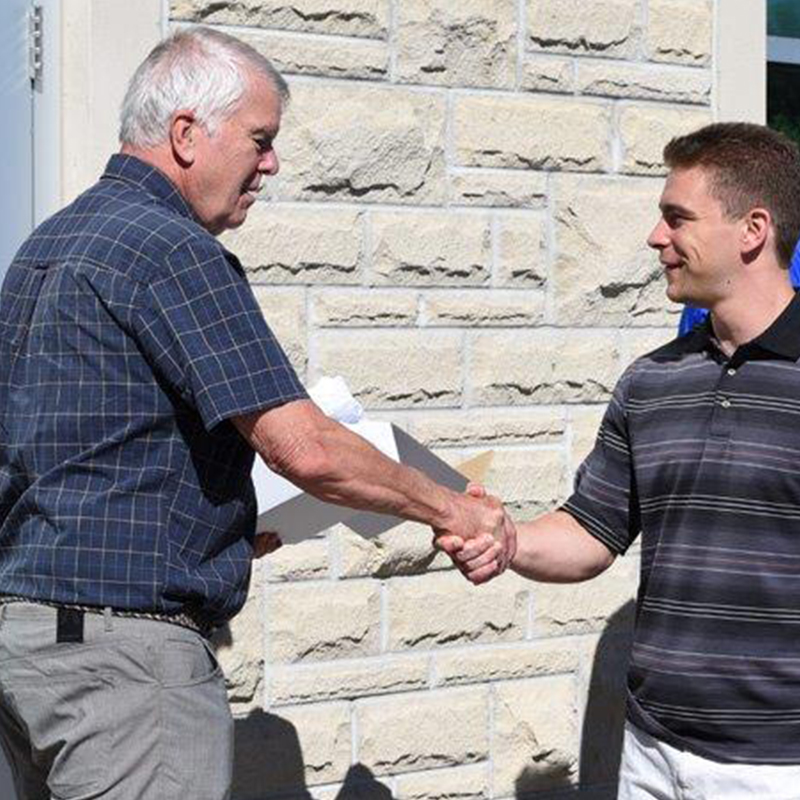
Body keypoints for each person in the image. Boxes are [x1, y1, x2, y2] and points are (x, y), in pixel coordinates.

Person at [0, 28, 515, 800]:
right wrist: (451, 508)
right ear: (184, 135)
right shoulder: (171, 249)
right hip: (125, 673)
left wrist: (221, 530)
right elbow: (303, 448)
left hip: (23, 650)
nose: (270, 164)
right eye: (260, 139)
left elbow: (79, 458)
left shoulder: (46, 245)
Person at [450, 122, 800, 798]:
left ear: (753, 229)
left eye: (677, 218)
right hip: (649, 753)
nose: (655, 238)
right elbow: (591, 532)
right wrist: (506, 535)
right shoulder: (650, 382)